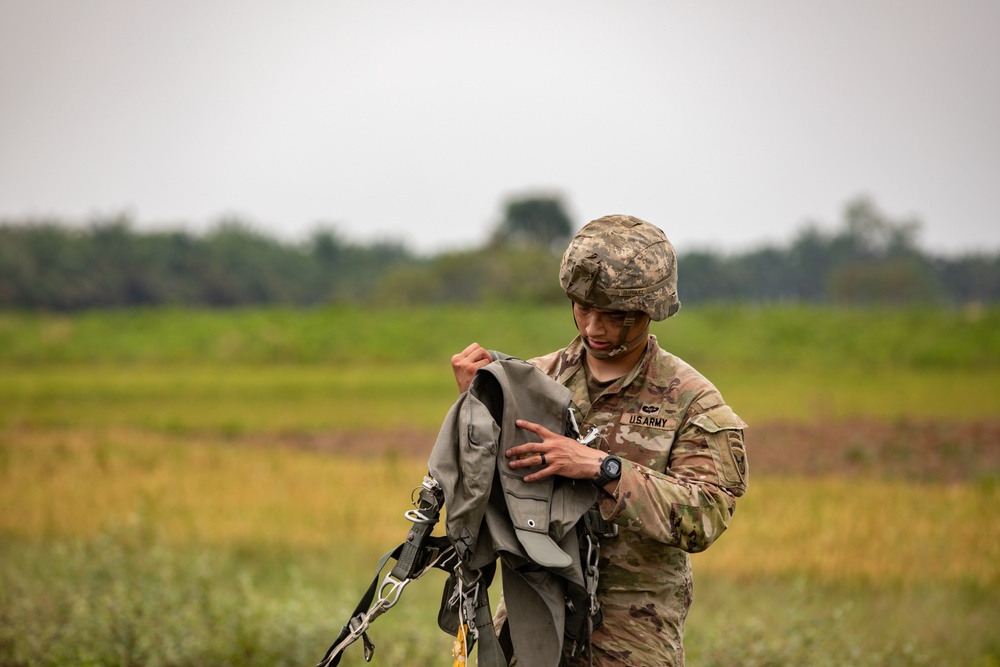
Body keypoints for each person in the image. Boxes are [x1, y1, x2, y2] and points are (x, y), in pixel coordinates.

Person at [450, 214, 749, 667]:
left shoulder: (692, 400)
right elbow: (486, 495)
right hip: (533, 627)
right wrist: (479, 408)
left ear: (652, 308)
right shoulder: (534, 379)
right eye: (582, 307)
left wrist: (602, 468)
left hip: (632, 634)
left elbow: (705, 517)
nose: (592, 327)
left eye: (613, 315)